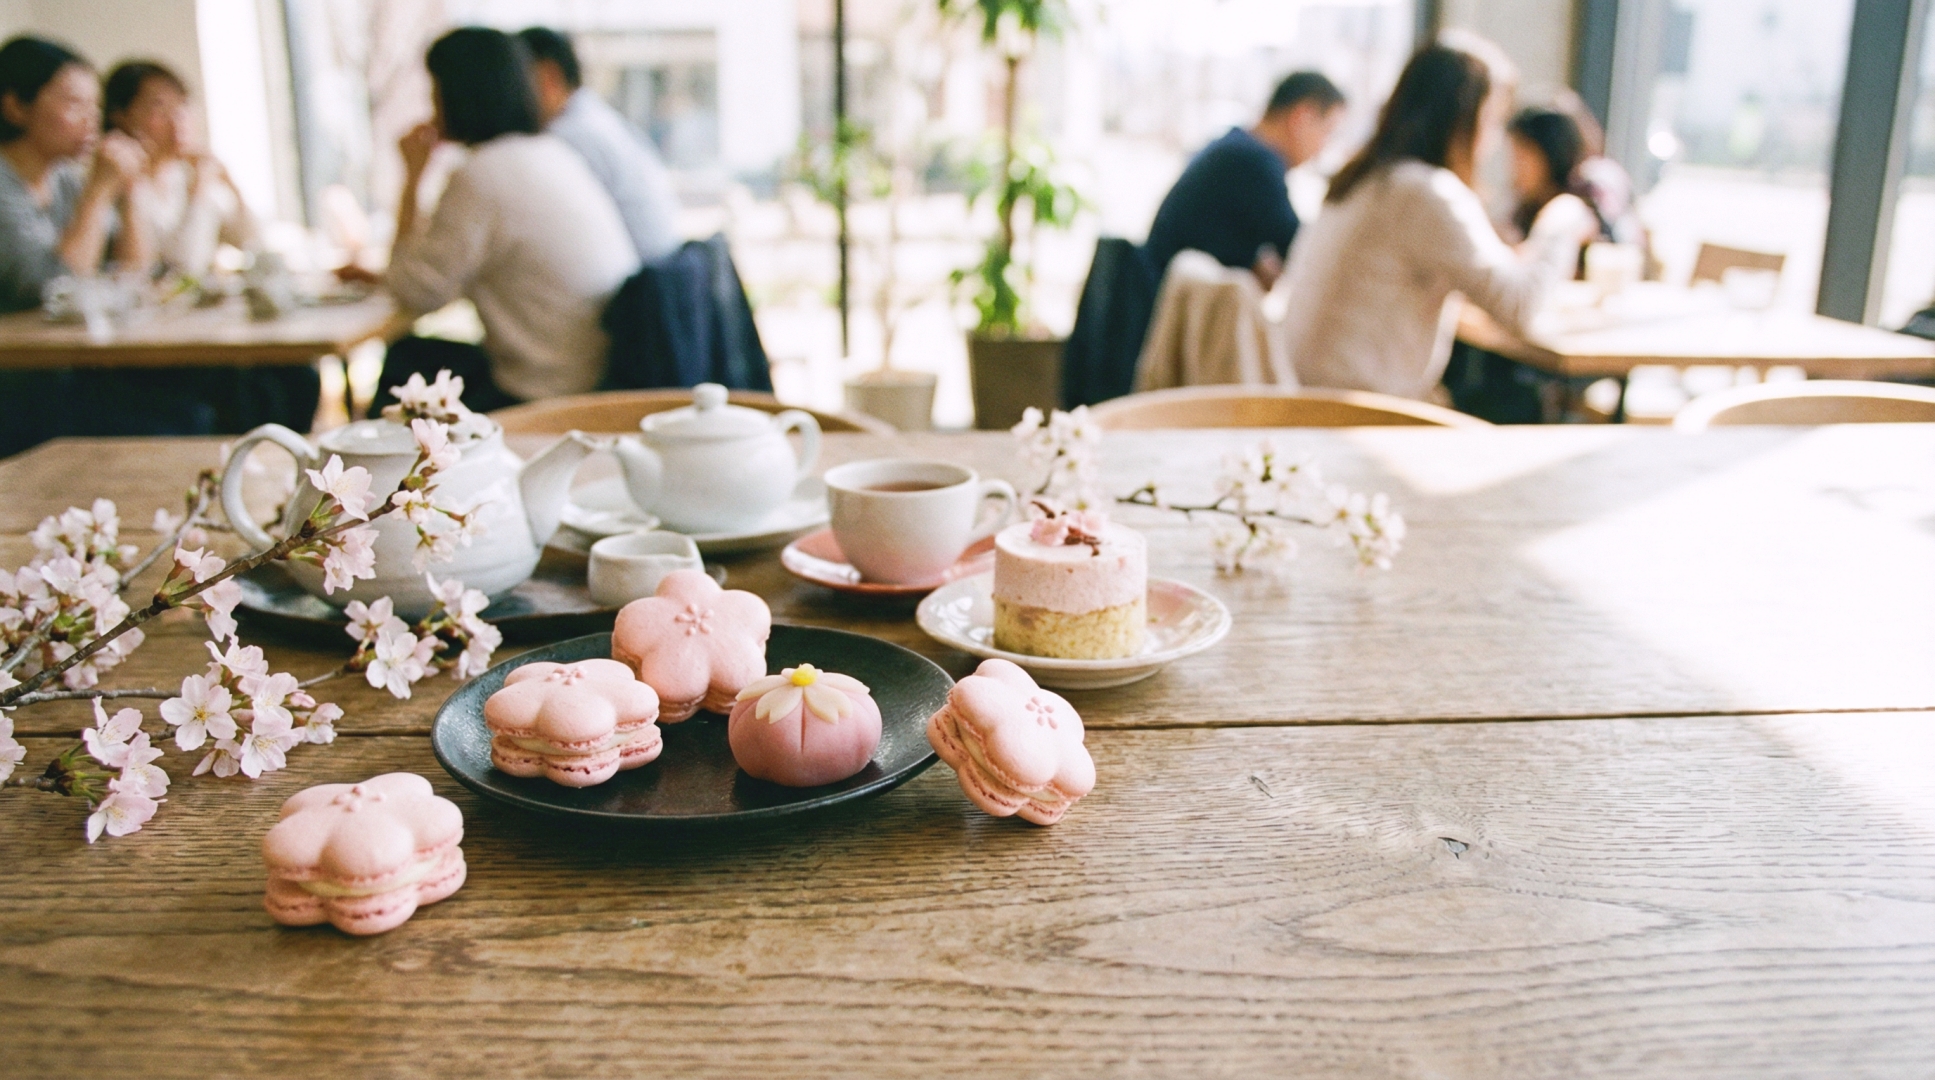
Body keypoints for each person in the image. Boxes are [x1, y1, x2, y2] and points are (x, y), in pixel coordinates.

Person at [1280, 37, 1592, 402]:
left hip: (1304, 404)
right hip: (1363, 417)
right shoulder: (1424, 191)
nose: (1491, 144)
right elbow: (1518, 307)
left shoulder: (1364, 179)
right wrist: (1561, 223)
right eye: (1491, 121)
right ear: (1463, 121)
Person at [361, 27, 639, 415]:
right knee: (422, 362)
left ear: (455, 94)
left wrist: (411, 179)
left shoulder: (481, 175)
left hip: (551, 392)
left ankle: (382, 473)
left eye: (433, 92)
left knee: (407, 364)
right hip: (598, 372)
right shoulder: (549, 152)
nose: (431, 106)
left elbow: (416, 292)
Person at [1143, 71, 1345, 289]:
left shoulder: (1238, 145)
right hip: (1162, 305)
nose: (1323, 148)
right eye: (1327, 132)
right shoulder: (1255, 161)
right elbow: (1303, 252)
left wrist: (1252, 261)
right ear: (1301, 117)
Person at [0, 35, 152, 311]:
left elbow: (134, 274)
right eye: (74, 104)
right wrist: (99, 190)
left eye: (95, 106)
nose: (92, 120)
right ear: (16, 107)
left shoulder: (62, 177)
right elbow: (52, 291)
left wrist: (128, 190)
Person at [516, 27, 681, 263]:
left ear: (548, 76)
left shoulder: (570, 137)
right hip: (660, 272)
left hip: (639, 285)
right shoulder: (593, 116)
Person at [102, 59, 257, 279]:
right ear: (121, 116)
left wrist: (231, 184)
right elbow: (181, 269)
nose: (177, 119)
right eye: (159, 107)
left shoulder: (183, 174)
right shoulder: (115, 183)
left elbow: (249, 241)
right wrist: (198, 194)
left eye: (182, 105)